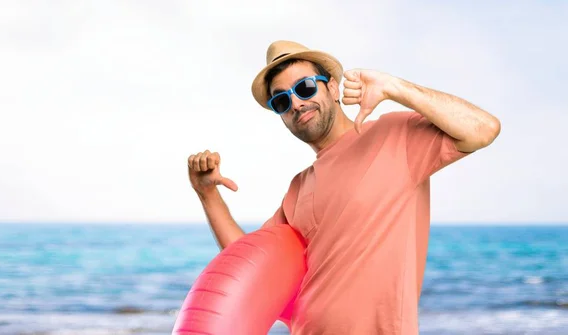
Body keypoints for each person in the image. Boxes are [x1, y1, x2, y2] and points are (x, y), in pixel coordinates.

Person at [186, 40, 501, 334]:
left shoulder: (394, 136)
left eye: (305, 88)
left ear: (333, 88)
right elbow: (247, 269)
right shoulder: (299, 188)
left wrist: (395, 87)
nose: (296, 103)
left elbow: (483, 129)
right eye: (282, 100)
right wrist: (207, 194)